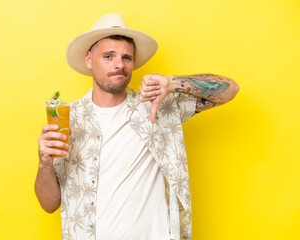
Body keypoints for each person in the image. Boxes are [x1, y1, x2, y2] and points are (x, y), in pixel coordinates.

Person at [35, 13, 239, 240]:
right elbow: (49, 204)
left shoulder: (157, 105)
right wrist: (44, 163)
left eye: (126, 58)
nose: (119, 65)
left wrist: (172, 83)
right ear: (89, 59)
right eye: (109, 56)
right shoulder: (68, 120)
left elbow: (229, 89)